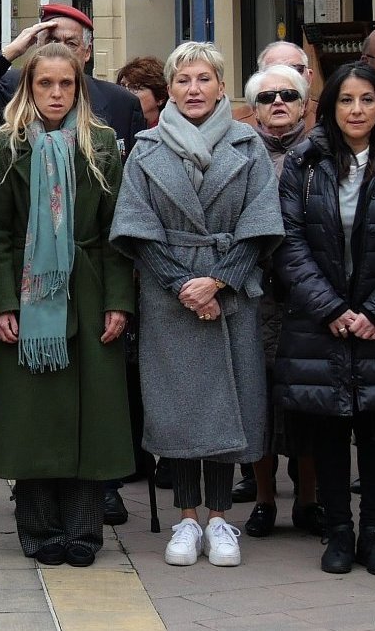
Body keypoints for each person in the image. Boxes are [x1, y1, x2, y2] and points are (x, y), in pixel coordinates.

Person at [112, 42, 280, 568]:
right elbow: (136, 228)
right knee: (180, 411)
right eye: (183, 80)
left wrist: (219, 282)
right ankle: (187, 519)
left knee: (231, 409)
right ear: (169, 89)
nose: (193, 90)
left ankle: (221, 520)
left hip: (231, 294)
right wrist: (183, 284)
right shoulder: (145, 147)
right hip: (170, 298)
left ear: (222, 86)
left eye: (203, 79)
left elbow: (260, 226)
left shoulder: (249, 145)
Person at [277, 61, 375, 577]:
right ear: (329, 108)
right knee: (327, 428)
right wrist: (330, 308)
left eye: (367, 100)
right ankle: (339, 532)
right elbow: (289, 243)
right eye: (346, 100)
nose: (357, 110)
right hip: (321, 319)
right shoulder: (305, 162)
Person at [0, 43, 134, 567]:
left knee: (92, 412)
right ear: (29, 87)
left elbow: (118, 232)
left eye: (65, 84)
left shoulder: (103, 143)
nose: (54, 93)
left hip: (90, 288)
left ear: (79, 87)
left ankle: (83, 529)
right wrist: (1, 302)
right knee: (34, 414)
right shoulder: (9, 144)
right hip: (29, 293)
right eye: (44, 84)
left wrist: (120, 301)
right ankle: (37, 524)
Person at [237, 63, 312, 538]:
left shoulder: (324, 151)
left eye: (288, 95)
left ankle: (309, 499)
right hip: (256, 293)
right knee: (258, 402)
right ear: (254, 108)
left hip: (309, 296)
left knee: (308, 401)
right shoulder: (240, 151)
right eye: (267, 98)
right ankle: (264, 499)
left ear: (305, 103)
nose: (278, 103)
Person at [0, 6, 146, 147]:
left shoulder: (122, 103)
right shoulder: (13, 89)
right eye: (52, 41)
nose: (60, 51)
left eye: (71, 43)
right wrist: (10, 52)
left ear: (87, 52)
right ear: (37, 46)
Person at [114, 57, 167, 130]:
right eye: (122, 86)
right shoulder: (112, 125)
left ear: (161, 97)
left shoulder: (169, 132)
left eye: (135, 87)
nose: (125, 92)